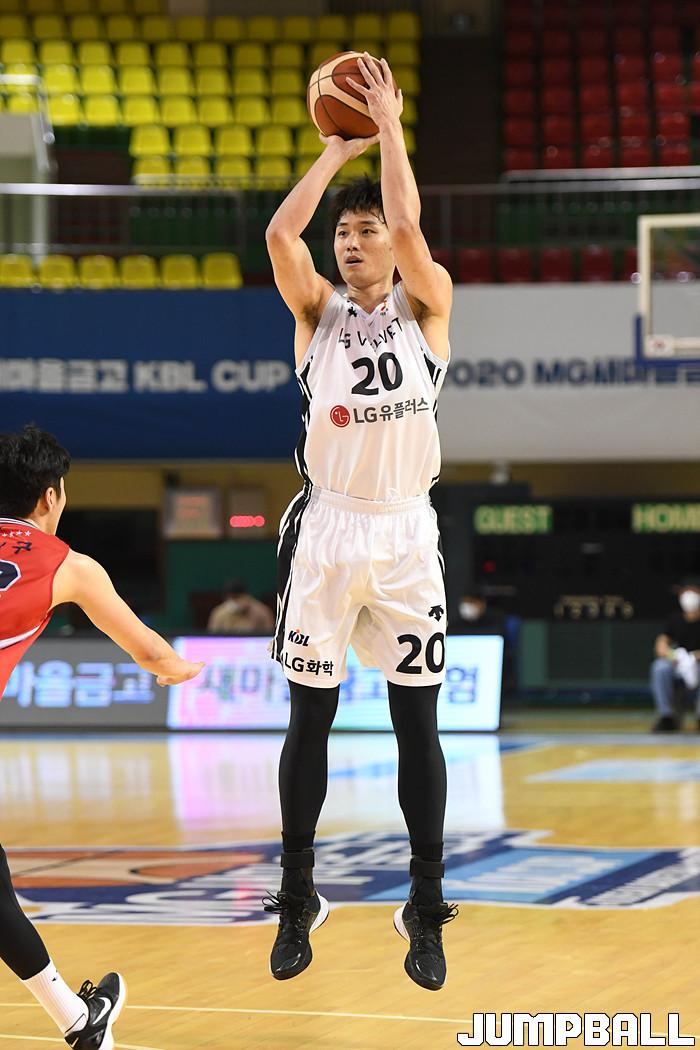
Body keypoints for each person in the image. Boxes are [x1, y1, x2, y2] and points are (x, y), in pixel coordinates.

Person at [263, 54, 457, 992]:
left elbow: (413, 225)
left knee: (418, 722)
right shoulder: (316, 315)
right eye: (343, 231)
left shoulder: (429, 308)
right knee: (312, 717)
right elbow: (279, 233)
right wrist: (336, 151)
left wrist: (388, 134)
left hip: (407, 535)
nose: (350, 241)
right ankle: (298, 894)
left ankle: (425, 902)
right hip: (329, 534)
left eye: (363, 230)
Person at [0, 424, 204, 1049]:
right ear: (51, 496)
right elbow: (152, 653)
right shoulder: (68, 566)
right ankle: (81, 1024)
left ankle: (79, 1020)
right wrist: (181, 669)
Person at [650, 578, 700, 732]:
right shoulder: (674, 619)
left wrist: (693, 658)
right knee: (660, 668)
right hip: (678, 665)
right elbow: (660, 645)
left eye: (693, 591)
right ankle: (666, 717)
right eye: (686, 591)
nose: (689, 595)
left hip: (698, 665)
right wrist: (676, 657)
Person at [207, 578, 275, 634]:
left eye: (237, 597)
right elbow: (212, 638)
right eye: (231, 598)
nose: (234, 602)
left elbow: (270, 637)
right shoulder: (219, 613)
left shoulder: (262, 612)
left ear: (246, 595)